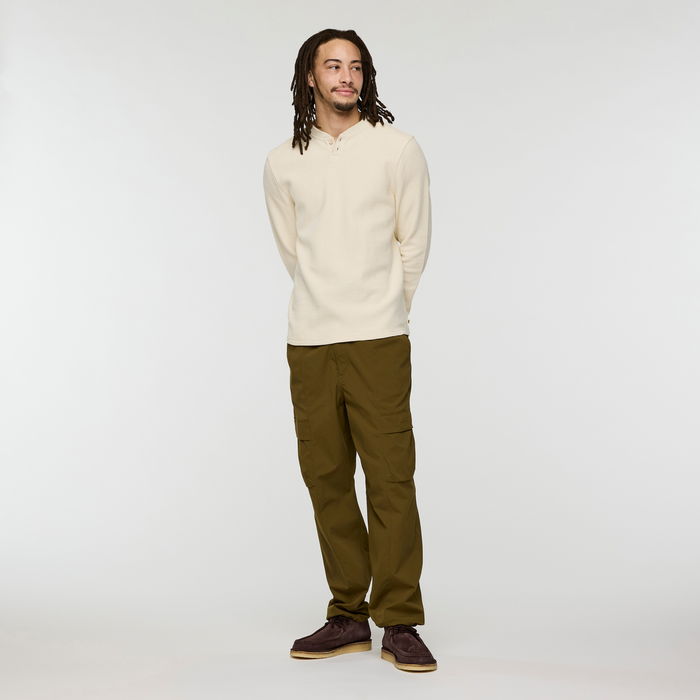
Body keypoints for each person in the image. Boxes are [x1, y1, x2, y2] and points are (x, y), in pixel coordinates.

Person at [263, 28, 436, 673]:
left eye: (355, 67)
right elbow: (294, 250)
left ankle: (400, 621)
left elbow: (414, 242)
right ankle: (348, 615)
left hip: (379, 337)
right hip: (309, 340)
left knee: (390, 477)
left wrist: (387, 306)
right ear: (310, 76)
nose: (345, 77)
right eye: (332, 65)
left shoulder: (397, 149)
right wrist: (326, 301)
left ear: (365, 77)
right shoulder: (283, 161)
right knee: (327, 477)